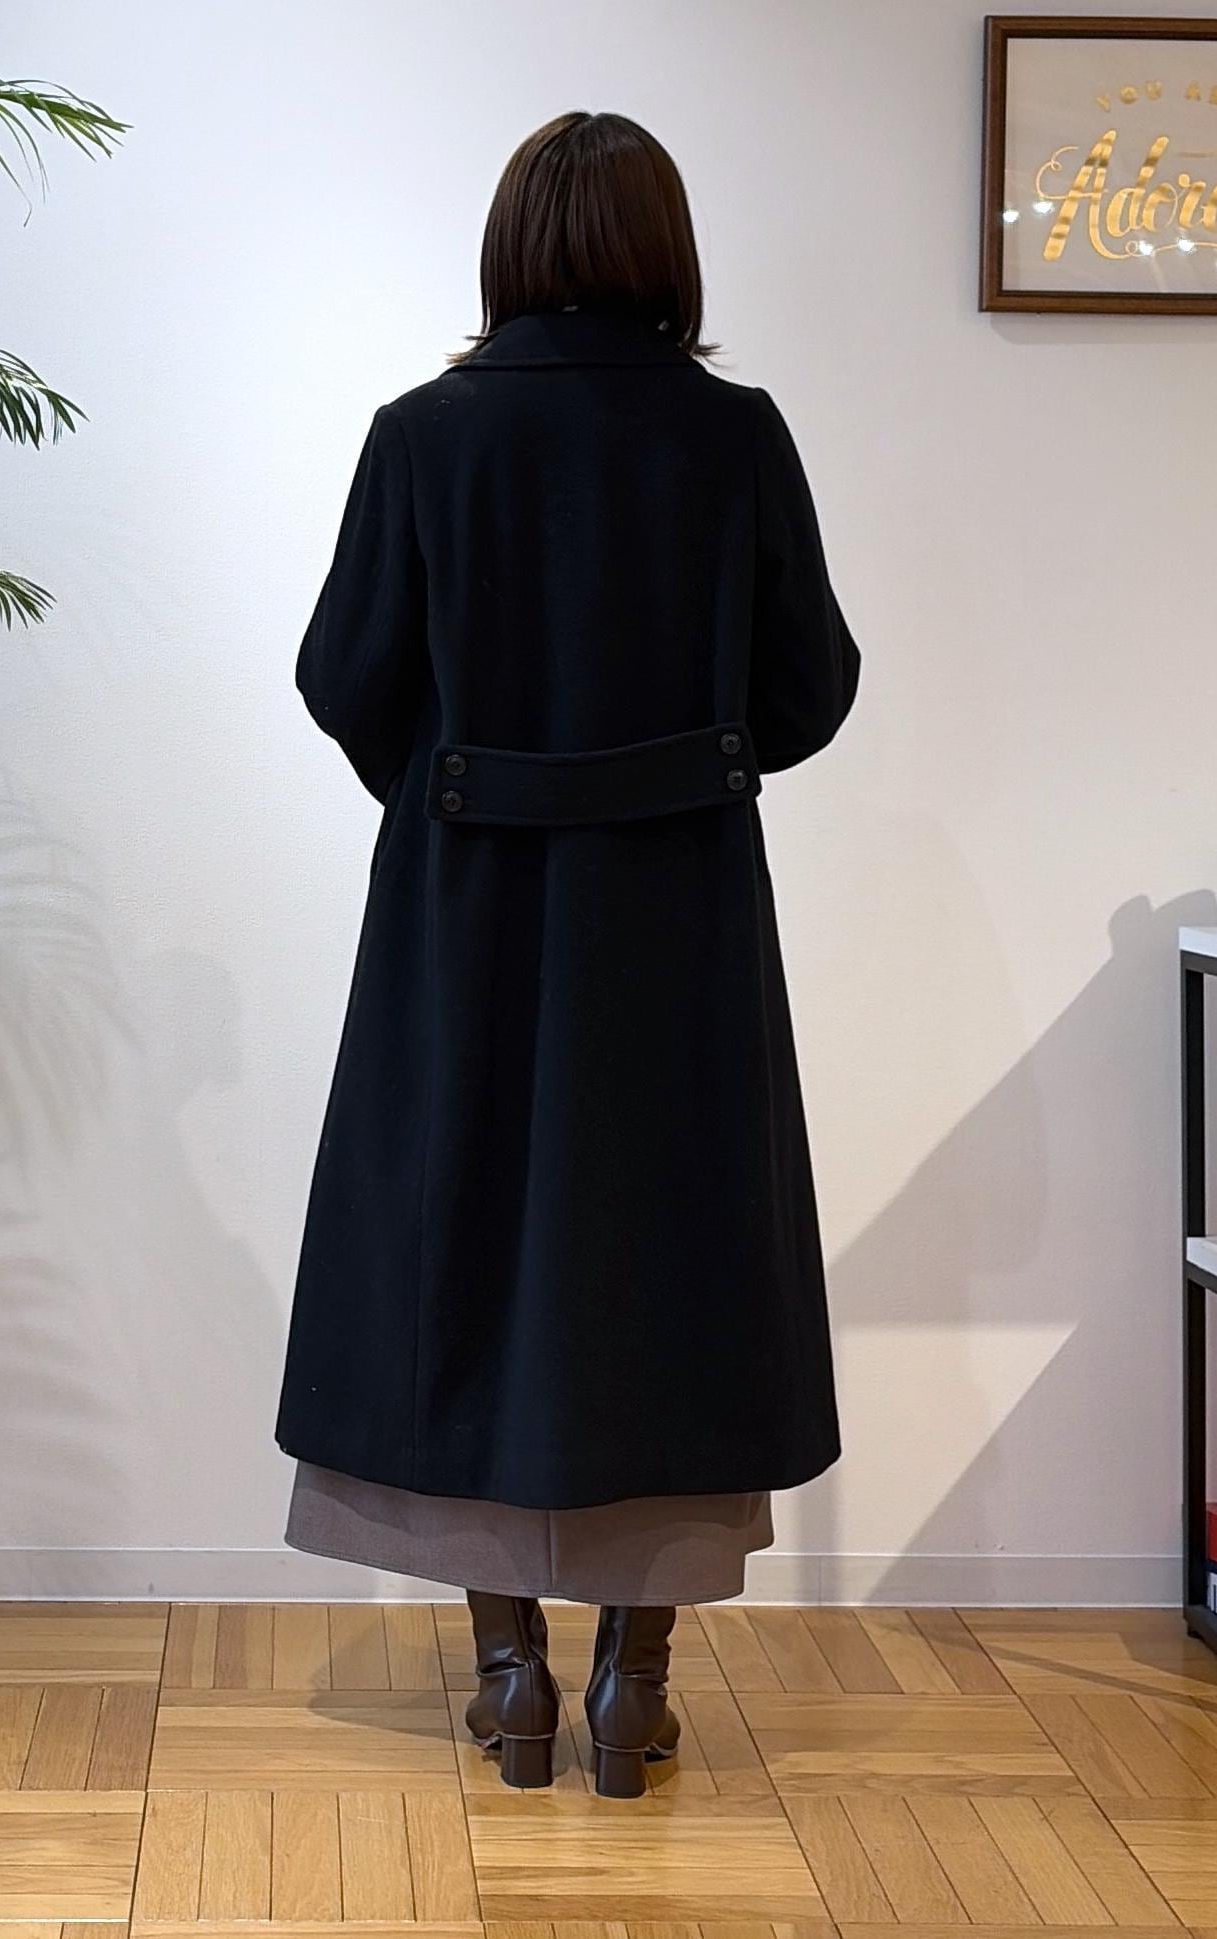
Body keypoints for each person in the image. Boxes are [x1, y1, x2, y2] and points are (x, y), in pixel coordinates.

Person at [275, 110, 860, 1799]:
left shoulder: (422, 435)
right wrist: (671, 772)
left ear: (509, 249)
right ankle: (634, 1687)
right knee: (663, 1263)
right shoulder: (734, 435)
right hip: (678, 914)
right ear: (667, 251)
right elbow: (809, 686)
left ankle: (511, 1675)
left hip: (463, 907)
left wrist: (465, 782)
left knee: (462, 1249)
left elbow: (342, 676)